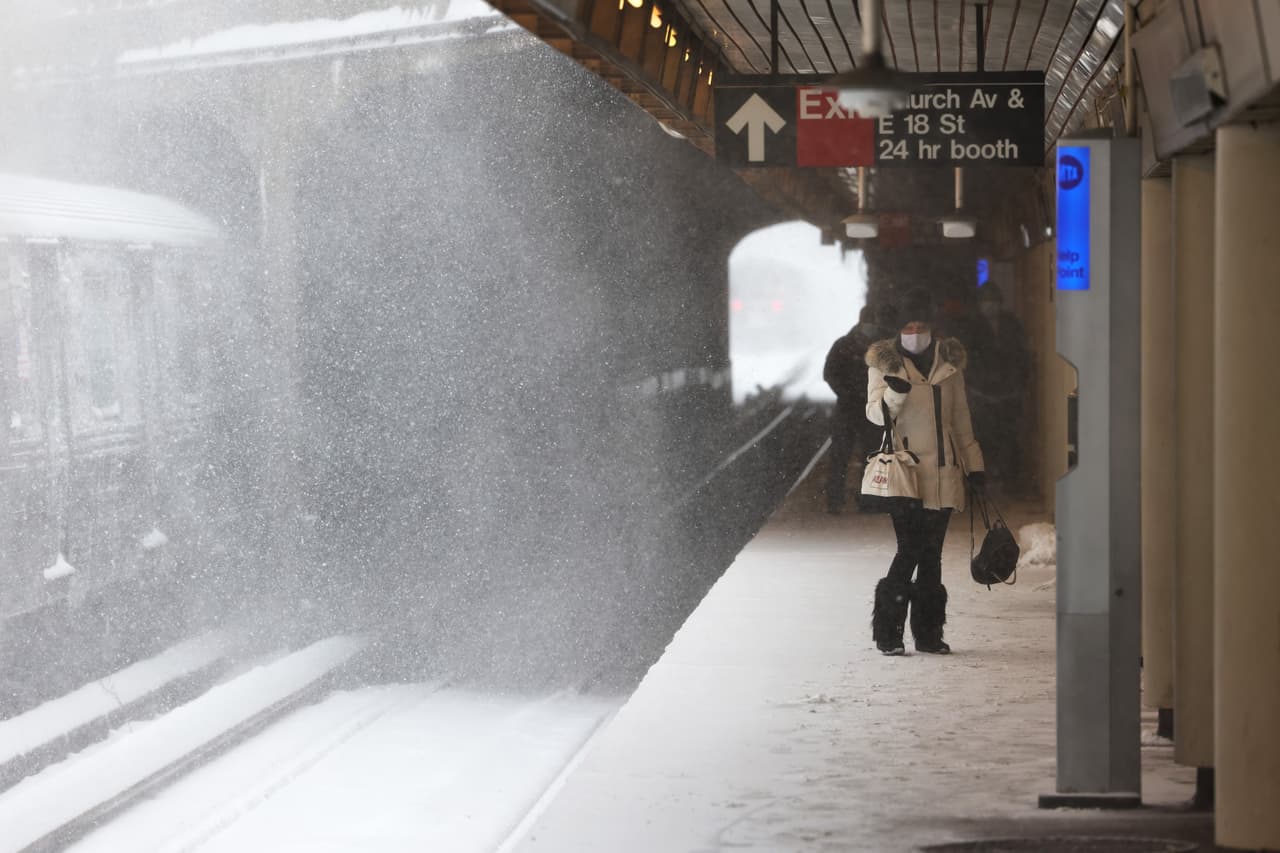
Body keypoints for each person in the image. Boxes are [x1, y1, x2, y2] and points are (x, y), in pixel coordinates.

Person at [865, 287, 984, 655]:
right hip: (907, 475)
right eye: (908, 325)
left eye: (921, 324)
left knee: (931, 555)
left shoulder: (949, 366)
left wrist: (975, 467)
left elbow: (961, 421)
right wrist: (894, 393)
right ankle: (888, 632)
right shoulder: (884, 364)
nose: (915, 331)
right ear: (898, 329)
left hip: (945, 474)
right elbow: (875, 415)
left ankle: (929, 634)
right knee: (910, 548)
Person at [822, 305, 884, 513]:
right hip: (855, 407)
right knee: (854, 454)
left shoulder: (846, 345)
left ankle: (851, 500)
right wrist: (850, 392)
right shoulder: (851, 346)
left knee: (858, 454)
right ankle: (847, 500)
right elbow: (830, 373)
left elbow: (830, 373)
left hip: (859, 408)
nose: (872, 327)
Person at [968, 286, 1031, 484]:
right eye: (986, 300)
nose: (990, 305)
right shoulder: (973, 326)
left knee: (1009, 438)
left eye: (993, 300)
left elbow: (1021, 355)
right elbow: (970, 359)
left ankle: (1010, 481)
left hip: (1008, 393)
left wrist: (1018, 383)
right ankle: (985, 481)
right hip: (982, 394)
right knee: (984, 439)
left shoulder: (1011, 324)